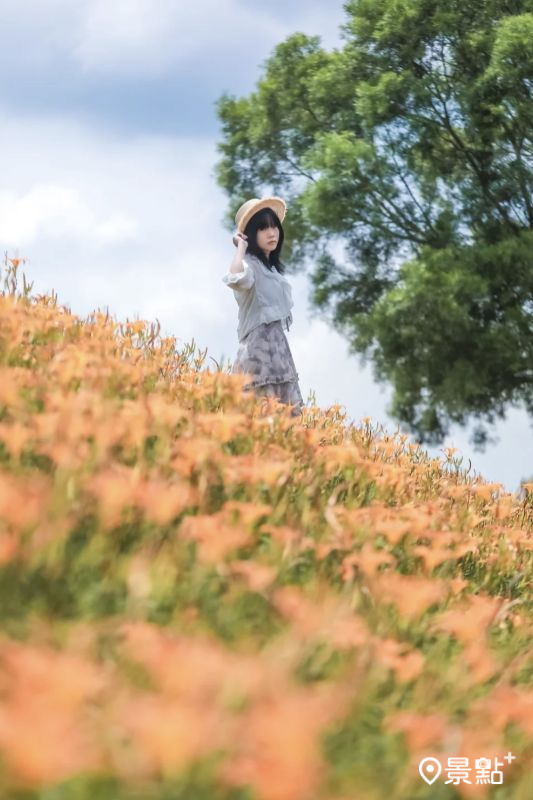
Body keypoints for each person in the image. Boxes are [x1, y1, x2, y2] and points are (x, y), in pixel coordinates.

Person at [222, 196, 304, 418]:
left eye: (274, 227)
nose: (272, 233)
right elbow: (236, 277)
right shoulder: (249, 264)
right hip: (258, 353)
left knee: (286, 421)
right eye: (263, 228)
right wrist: (241, 247)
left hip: (279, 352)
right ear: (250, 233)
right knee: (262, 417)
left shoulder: (272, 272)